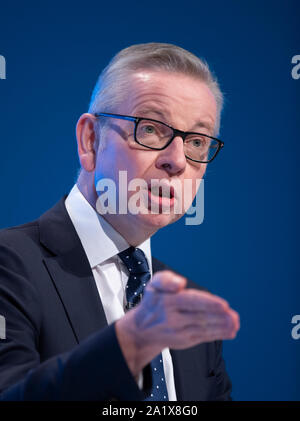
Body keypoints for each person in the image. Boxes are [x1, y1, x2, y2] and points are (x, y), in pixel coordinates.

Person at [0, 43, 239, 401]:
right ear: (90, 140)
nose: (177, 160)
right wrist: (129, 347)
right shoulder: (10, 264)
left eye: (196, 141)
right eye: (151, 129)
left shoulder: (189, 307)